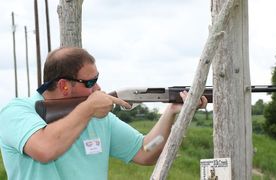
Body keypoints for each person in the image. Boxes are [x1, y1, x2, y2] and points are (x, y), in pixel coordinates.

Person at [0, 47, 207, 180]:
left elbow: (146, 152)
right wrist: (87, 109)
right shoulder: (16, 112)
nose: (97, 88)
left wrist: (172, 111)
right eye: (90, 82)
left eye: (96, 79)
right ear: (63, 85)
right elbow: (45, 149)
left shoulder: (97, 116)